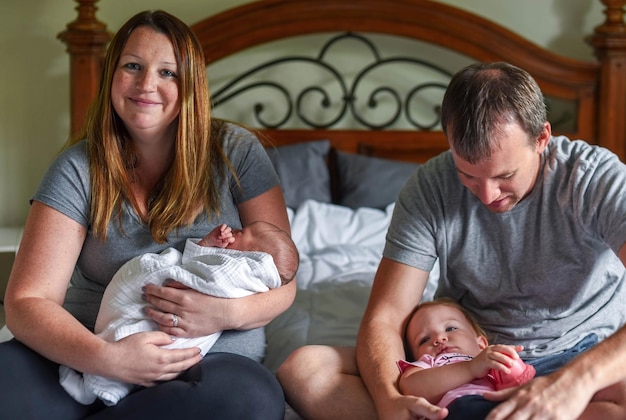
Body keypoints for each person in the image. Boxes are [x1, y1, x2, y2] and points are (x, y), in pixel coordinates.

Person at [277, 61, 626, 420]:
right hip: (460, 363)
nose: (488, 195)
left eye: (504, 175)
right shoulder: (430, 187)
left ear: (542, 138)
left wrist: (574, 383)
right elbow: (386, 315)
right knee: (304, 370)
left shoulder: (593, 177)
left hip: (581, 354)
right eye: (468, 175)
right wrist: (388, 402)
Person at [0, 10, 294, 419]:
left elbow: (284, 279)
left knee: (252, 402)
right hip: (86, 347)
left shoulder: (235, 152)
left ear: (191, 84)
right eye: (132, 66)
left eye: (168, 73)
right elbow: (26, 300)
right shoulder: (78, 167)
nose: (146, 85)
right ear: (111, 76)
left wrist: (225, 313)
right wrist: (106, 358)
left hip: (206, 363)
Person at [59, 221, 299, 406]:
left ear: (257, 257)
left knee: (256, 400)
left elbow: (211, 279)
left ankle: (99, 385)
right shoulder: (231, 260)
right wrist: (207, 245)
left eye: (243, 234)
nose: (235, 232)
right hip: (85, 336)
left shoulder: (247, 272)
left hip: (188, 351)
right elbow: (196, 263)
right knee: (132, 339)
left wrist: (225, 312)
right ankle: (105, 375)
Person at [398, 298, 535, 413]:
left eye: (450, 328)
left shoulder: (489, 361)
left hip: (501, 405)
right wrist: (470, 368)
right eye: (424, 340)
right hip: (460, 407)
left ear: (481, 344)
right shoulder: (428, 364)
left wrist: (513, 367)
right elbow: (410, 388)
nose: (439, 338)